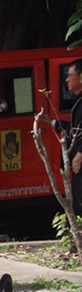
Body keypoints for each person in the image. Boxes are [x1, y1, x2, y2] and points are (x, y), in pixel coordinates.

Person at [63, 59, 82, 212]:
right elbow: (72, 129)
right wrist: (51, 122)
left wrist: (81, 152)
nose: (67, 79)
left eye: (70, 75)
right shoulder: (78, 101)